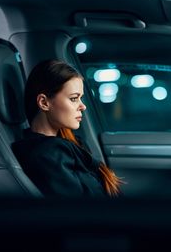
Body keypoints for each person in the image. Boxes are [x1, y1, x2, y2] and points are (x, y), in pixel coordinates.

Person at [12, 59, 123, 197]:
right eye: (74, 98)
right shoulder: (48, 154)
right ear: (44, 102)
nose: (83, 106)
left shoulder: (69, 144)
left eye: (80, 98)